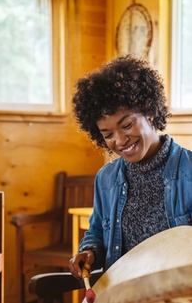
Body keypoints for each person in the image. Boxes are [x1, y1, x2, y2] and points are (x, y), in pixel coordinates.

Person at [68, 56, 192, 279]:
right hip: (123, 291)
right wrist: (89, 251)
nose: (120, 140)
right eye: (107, 135)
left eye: (127, 125)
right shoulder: (106, 178)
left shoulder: (188, 172)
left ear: (150, 112)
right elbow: (96, 230)